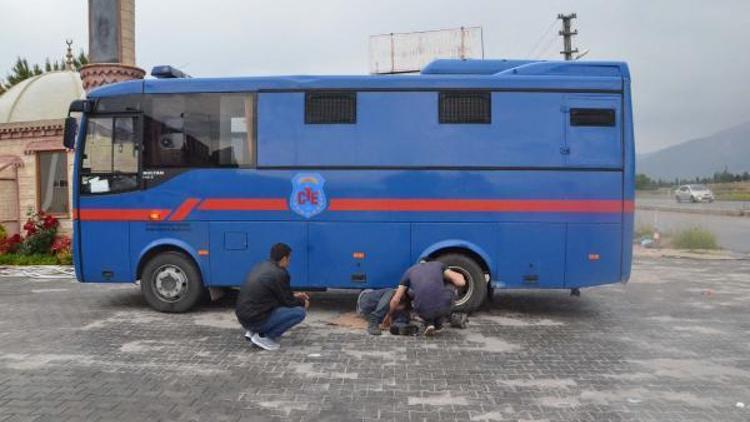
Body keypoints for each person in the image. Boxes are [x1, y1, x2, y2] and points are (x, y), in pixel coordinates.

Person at [235, 243, 309, 351]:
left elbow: (274, 294)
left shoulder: (261, 265)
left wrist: (295, 295)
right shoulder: (280, 273)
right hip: (255, 319)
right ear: (284, 258)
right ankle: (264, 337)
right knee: (299, 312)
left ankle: (253, 332)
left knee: (280, 308)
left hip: (244, 317)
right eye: (289, 259)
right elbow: (289, 302)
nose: (289, 263)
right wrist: (303, 302)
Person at [383, 259, 467, 336]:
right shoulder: (438, 265)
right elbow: (461, 283)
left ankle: (430, 323)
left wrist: (388, 316)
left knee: (415, 293)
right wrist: (454, 276)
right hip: (443, 308)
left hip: (421, 311)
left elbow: (395, 299)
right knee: (450, 284)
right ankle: (438, 323)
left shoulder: (409, 271)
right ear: (430, 261)